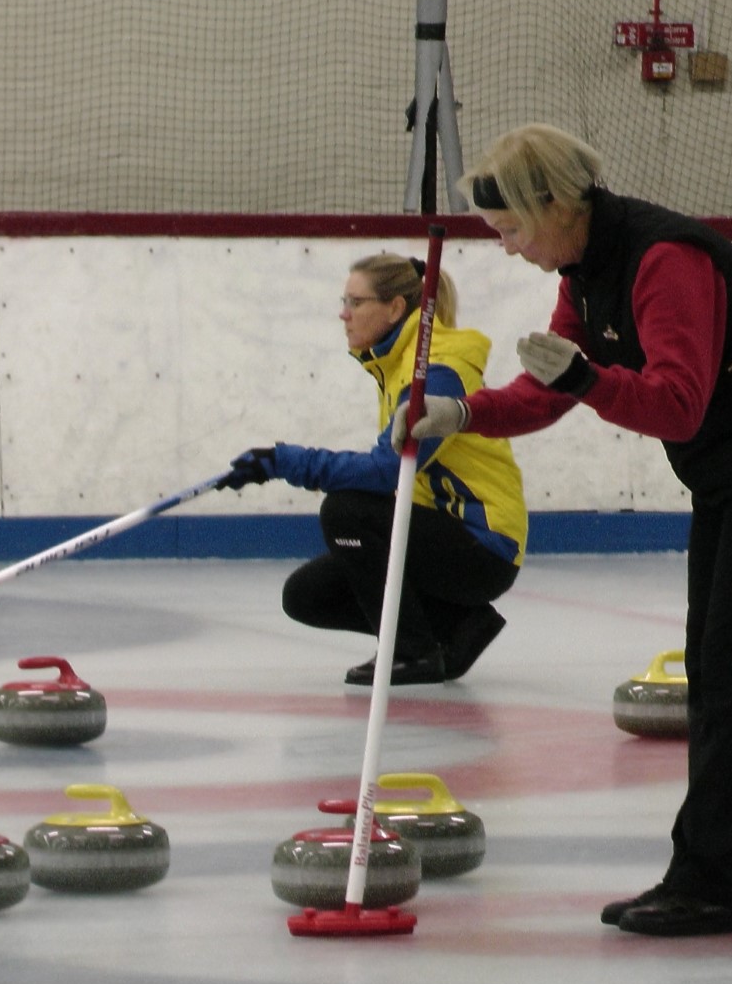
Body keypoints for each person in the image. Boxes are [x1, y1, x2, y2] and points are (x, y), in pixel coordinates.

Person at [397, 124, 732, 936]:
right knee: (712, 674)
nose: (505, 248)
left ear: (550, 204)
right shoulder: (585, 269)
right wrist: (461, 414)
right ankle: (702, 871)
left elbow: (675, 401)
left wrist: (586, 377)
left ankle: (713, 884)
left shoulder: (663, 261)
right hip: (728, 468)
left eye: (508, 229)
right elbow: (547, 391)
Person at [221, 253, 527, 687]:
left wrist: (284, 462)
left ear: (395, 309)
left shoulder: (436, 369)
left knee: (348, 512)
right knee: (307, 596)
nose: (343, 314)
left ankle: (413, 652)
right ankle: (460, 627)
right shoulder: (394, 364)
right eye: (343, 300)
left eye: (356, 302)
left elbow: (388, 470)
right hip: (440, 529)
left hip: (481, 544)